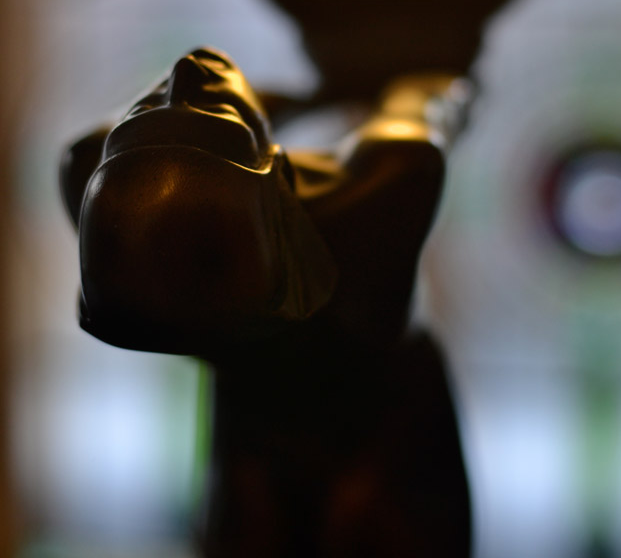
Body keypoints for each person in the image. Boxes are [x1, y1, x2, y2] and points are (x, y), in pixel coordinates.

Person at [60, 47, 471, 557]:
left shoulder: (95, 180)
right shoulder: (386, 185)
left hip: (252, 414)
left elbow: (139, 126)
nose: (184, 71)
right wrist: (318, 90)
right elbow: (438, 90)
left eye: (146, 115)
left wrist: (312, 93)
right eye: (214, 121)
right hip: (385, 421)